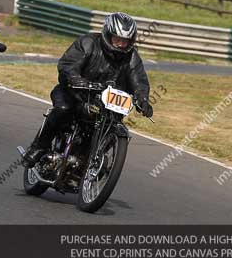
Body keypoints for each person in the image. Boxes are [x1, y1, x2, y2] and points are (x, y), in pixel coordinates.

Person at [22, 12, 152, 168]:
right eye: (118, 40)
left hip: (105, 103)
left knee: (113, 123)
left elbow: (139, 80)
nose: (121, 45)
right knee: (63, 109)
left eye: (126, 41)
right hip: (74, 93)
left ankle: (94, 158)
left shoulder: (131, 57)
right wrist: (76, 79)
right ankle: (39, 147)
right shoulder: (88, 43)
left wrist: (143, 99)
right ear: (108, 34)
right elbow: (68, 65)